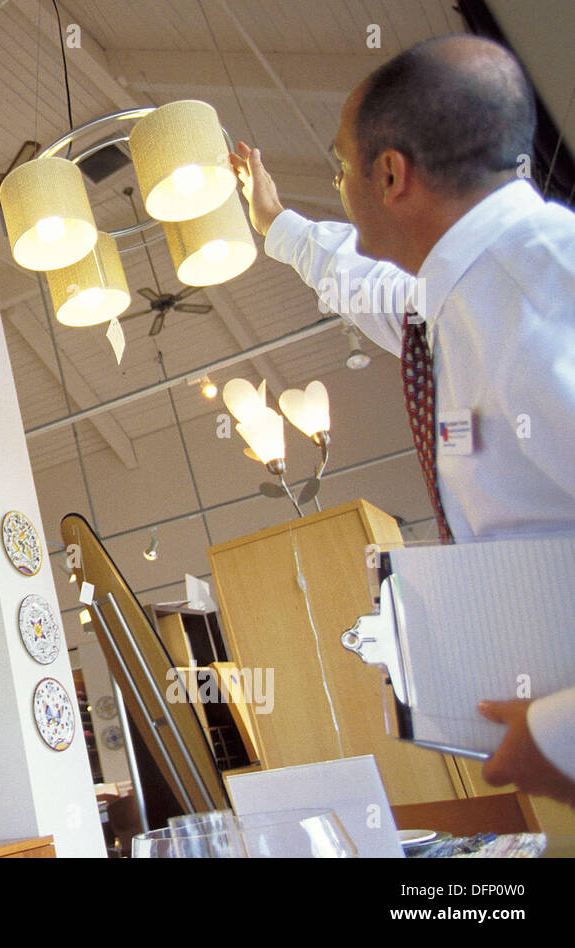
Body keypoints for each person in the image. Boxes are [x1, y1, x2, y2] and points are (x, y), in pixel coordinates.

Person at [228, 35, 575, 807]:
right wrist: (275, 222)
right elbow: (358, 281)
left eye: (341, 168)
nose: (341, 186)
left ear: (390, 175)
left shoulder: (548, 290)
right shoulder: (446, 304)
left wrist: (561, 734)